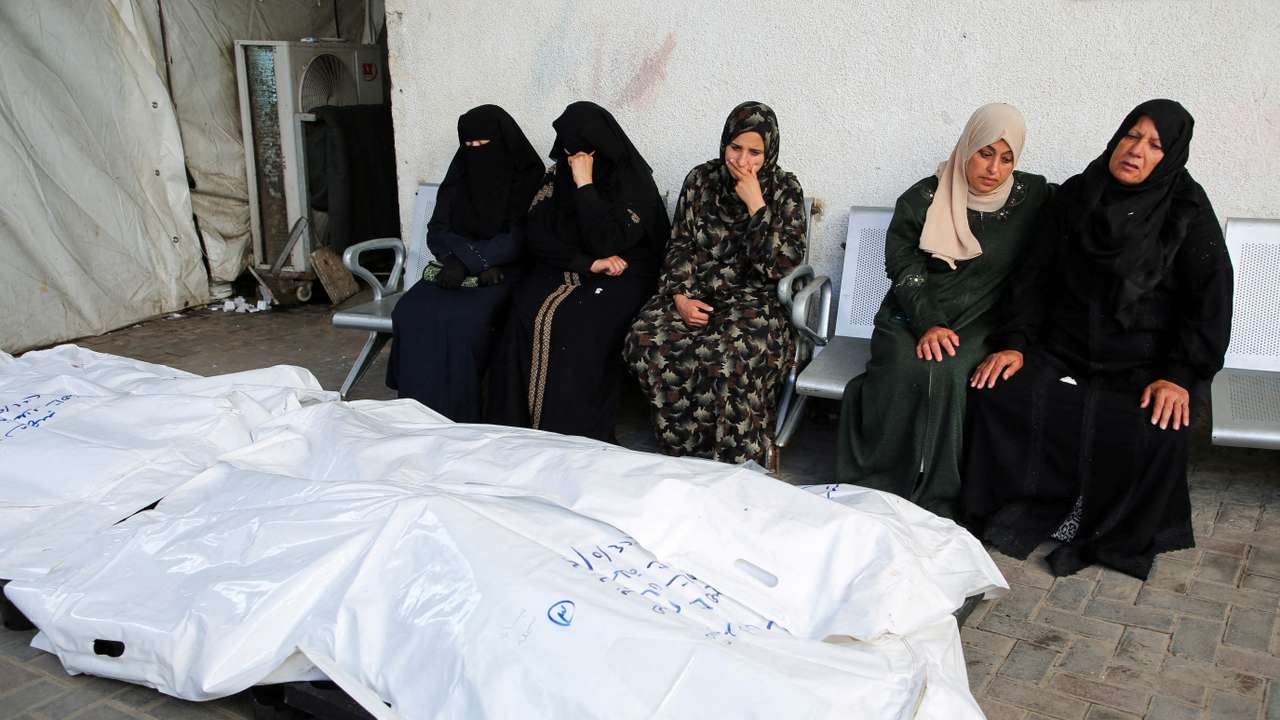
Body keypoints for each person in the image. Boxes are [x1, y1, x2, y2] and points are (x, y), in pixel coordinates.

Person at [961, 99, 1233, 580]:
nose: (1136, 151)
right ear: (1116, 138)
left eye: (1154, 145)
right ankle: (1028, 508)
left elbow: (1208, 303)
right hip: (1062, 349)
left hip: (1145, 362)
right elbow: (1033, 279)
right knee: (996, 394)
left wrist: (1179, 375)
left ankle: (1094, 522)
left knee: (1157, 427)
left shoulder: (1187, 214)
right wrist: (1015, 343)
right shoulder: (1075, 198)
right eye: (1131, 136)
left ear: (1170, 156)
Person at [835, 103, 1049, 518]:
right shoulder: (921, 199)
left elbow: (1085, 202)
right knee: (908, 370)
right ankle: (883, 480)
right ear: (966, 147)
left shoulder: (1032, 196)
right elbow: (903, 267)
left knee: (952, 372)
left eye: (1007, 158)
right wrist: (928, 323)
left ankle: (940, 494)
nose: (994, 169)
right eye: (985, 153)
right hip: (910, 314)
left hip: (981, 319)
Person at [624, 101, 806, 467]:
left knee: (731, 356)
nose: (743, 160)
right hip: (694, 290)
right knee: (646, 341)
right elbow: (680, 243)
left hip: (755, 299)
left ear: (768, 152)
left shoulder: (784, 189)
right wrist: (678, 297)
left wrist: (757, 206)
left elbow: (780, 265)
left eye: (755, 152)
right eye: (735, 148)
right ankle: (681, 450)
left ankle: (735, 455)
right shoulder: (701, 180)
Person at [487, 101, 669, 440]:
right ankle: (516, 428)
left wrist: (585, 185)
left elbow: (608, 240)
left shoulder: (632, 181)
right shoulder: (557, 176)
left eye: (583, 151)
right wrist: (585, 263)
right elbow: (536, 234)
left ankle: (572, 432)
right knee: (525, 311)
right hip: (568, 265)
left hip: (625, 272)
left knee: (579, 324)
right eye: (568, 150)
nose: (573, 158)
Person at [385, 105, 544, 421]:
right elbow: (438, 227)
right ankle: (414, 406)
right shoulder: (460, 173)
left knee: (466, 322)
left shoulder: (528, 177)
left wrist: (477, 260)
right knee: (411, 310)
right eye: (469, 146)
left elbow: (520, 236)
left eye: (483, 146)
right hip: (455, 267)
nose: (475, 153)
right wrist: (456, 260)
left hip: (504, 270)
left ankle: (460, 411)